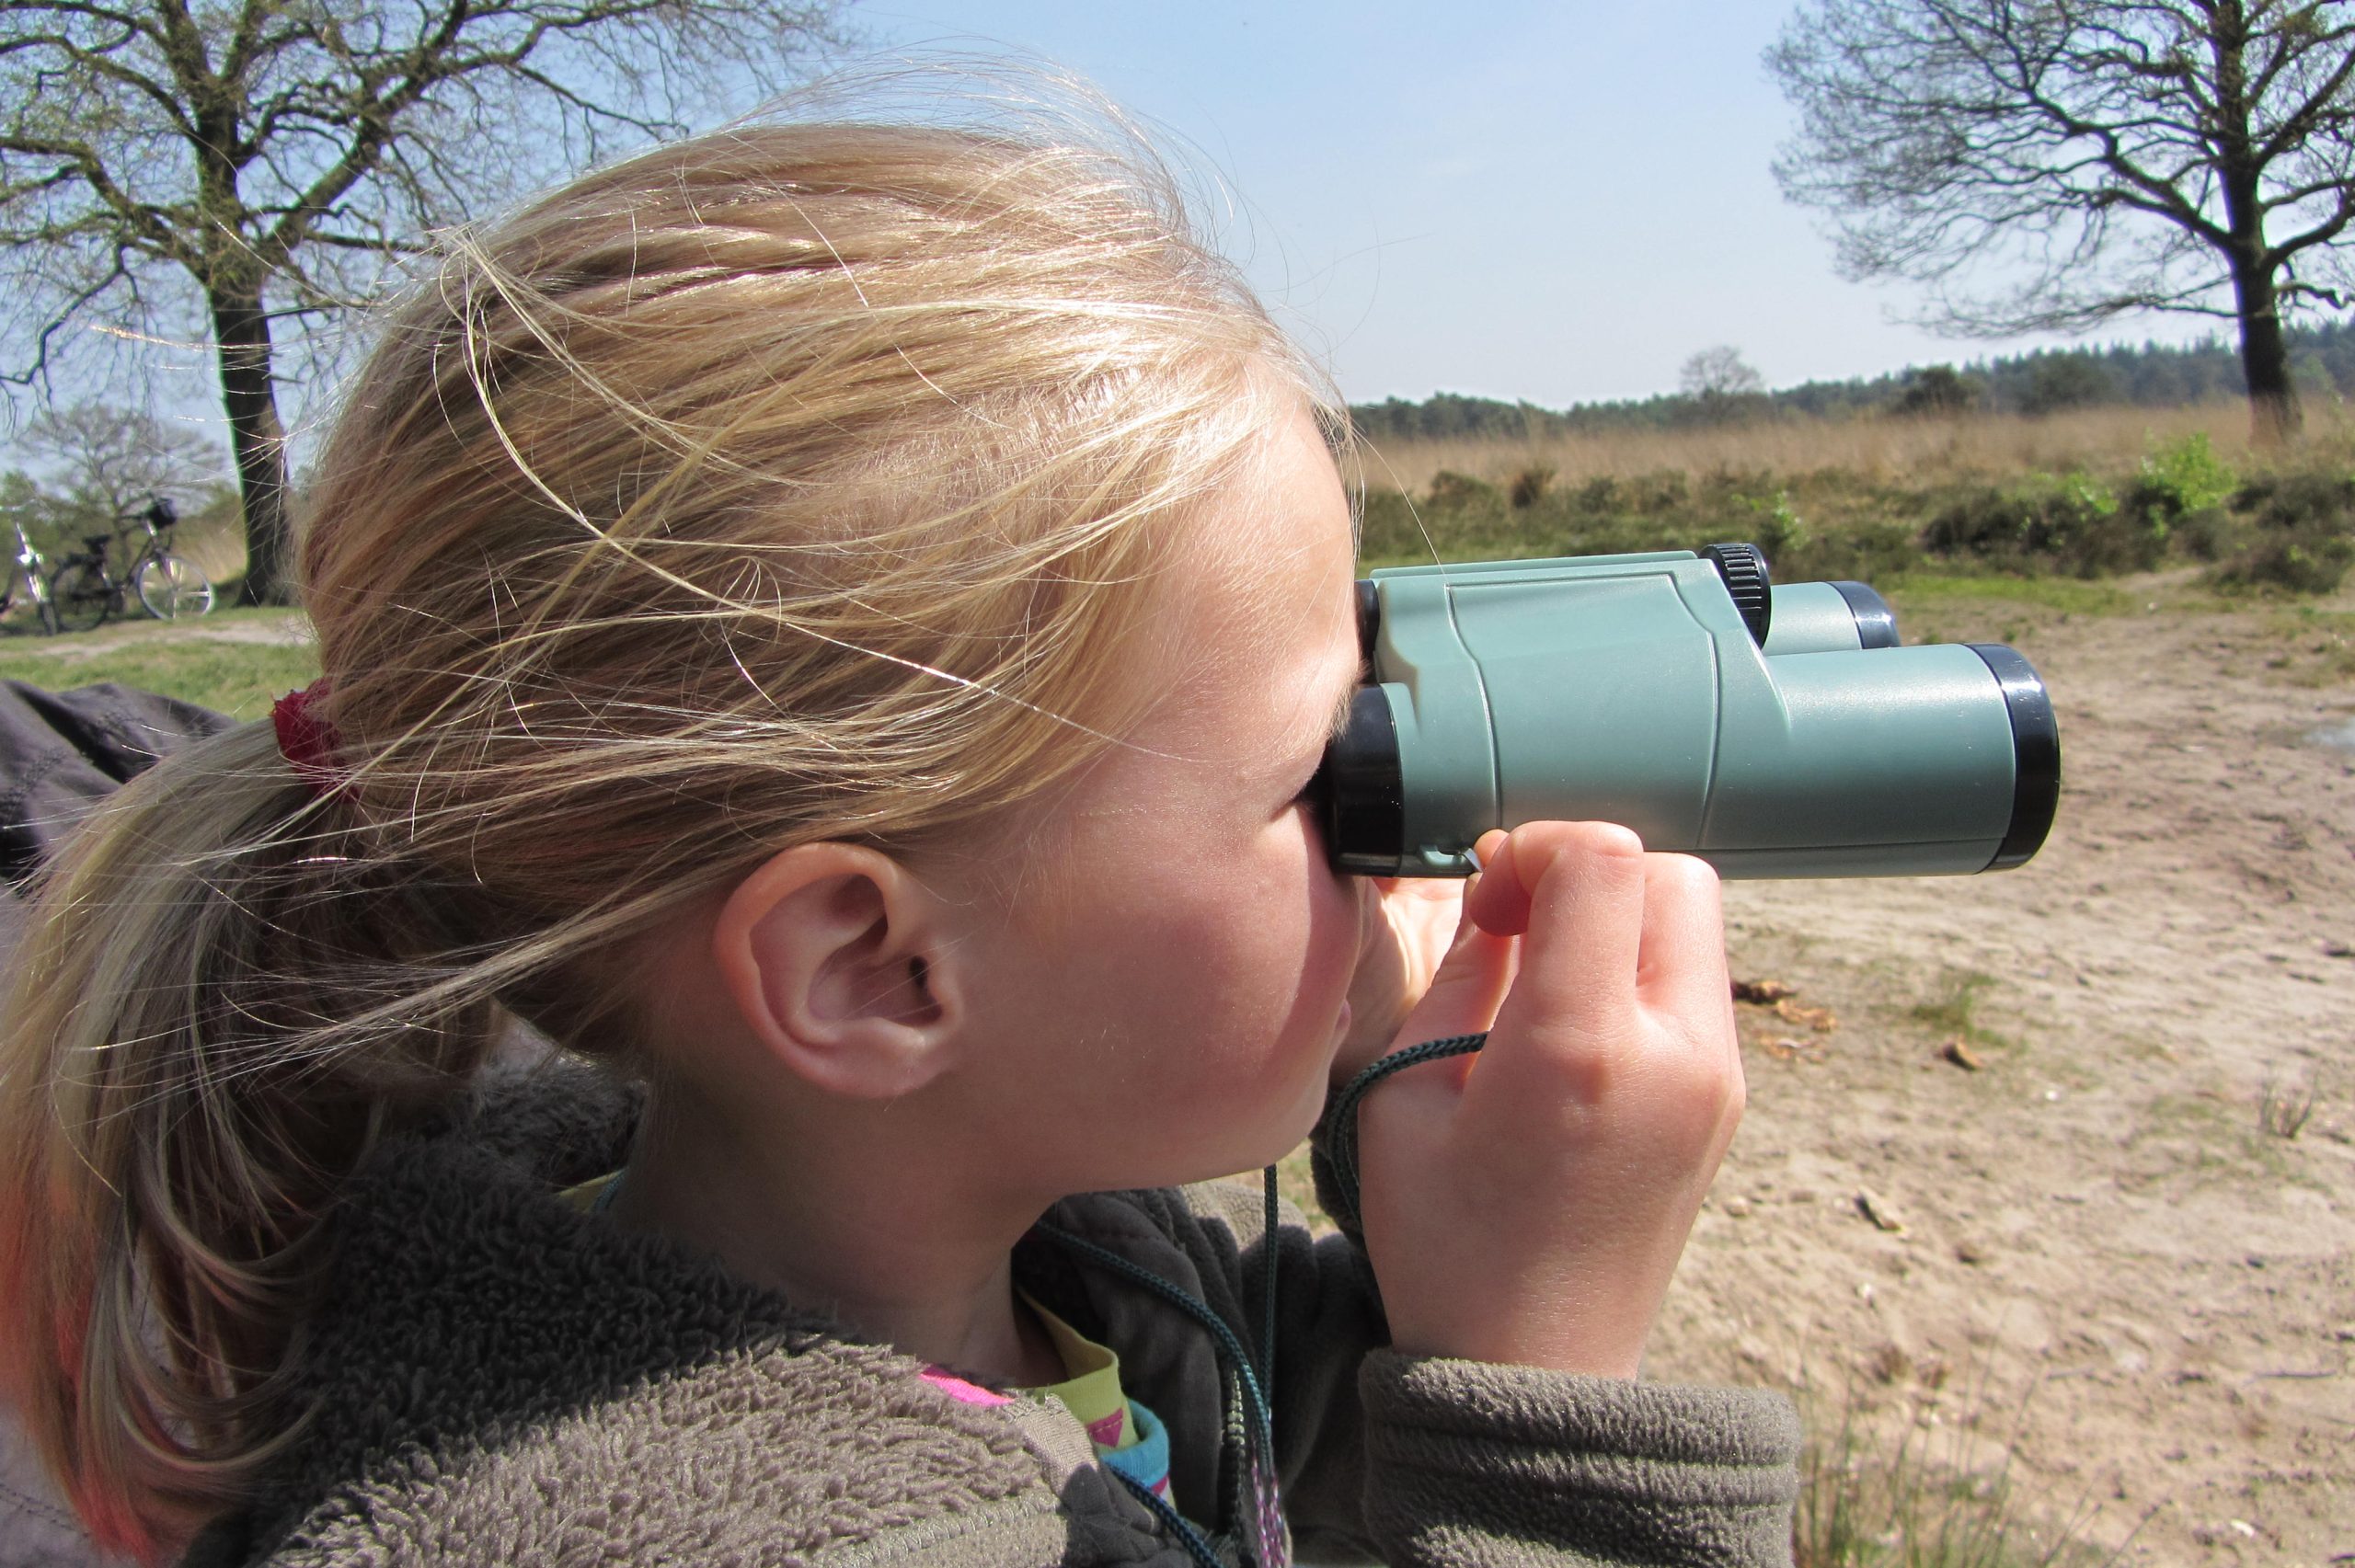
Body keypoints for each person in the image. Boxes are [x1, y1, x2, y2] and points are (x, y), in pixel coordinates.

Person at [0, 96, 1798, 1568]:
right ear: (871, 967)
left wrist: (1452, 1260)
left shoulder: (1044, 1249)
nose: (1395, 835)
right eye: (1311, 775)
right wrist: (1560, 1421)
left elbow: (1259, 1413)